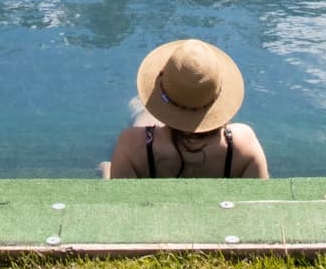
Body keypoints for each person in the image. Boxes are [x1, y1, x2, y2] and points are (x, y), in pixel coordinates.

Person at [104, 39, 270, 179]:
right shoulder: (244, 145)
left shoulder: (132, 146)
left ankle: (106, 167)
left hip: (151, 167)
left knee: (141, 113)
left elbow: (121, 206)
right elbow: (259, 204)